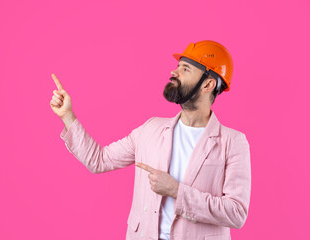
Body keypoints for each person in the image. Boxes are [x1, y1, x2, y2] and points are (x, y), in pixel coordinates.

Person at [49, 40, 251, 240]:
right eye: (177, 66)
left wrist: (176, 191)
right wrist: (68, 117)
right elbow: (99, 160)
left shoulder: (233, 142)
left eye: (186, 69)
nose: (174, 73)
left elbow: (236, 212)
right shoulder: (151, 129)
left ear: (208, 83)